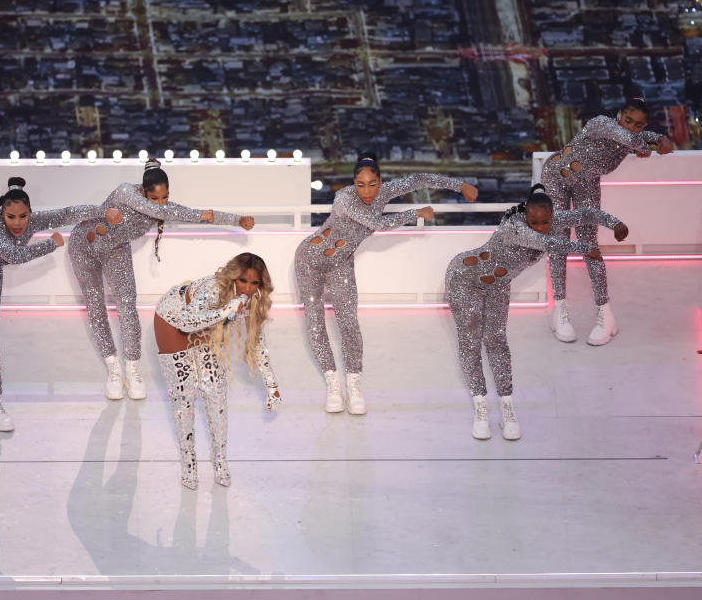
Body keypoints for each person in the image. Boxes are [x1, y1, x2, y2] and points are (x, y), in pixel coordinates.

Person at [294, 152, 478, 414]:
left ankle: (354, 385)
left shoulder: (383, 192)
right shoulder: (344, 198)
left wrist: (460, 186)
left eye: (372, 184)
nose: (367, 191)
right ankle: (333, 385)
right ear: (352, 183)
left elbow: (419, 179)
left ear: (380, 181)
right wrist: (414, 212)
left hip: (341, 261)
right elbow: (376, 222)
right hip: (309, 260)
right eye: (360, 184)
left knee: (349, 323)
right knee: (315, 323)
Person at [445, 184, 629, 440]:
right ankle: (481, 408)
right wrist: (585, 249)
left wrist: (615, 222)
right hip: (464, 278)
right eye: (534, 221)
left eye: (545, 221)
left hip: (498, 285)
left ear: (552, 215)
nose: (540, 226)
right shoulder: (515, 226)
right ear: (526, 215)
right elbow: (545, 242)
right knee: (471, 341)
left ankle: (507, 408)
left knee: (497, 341)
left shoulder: (553, 218)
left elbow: (587, 213)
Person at [68, 158, 254, 401]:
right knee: (95, 305)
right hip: (84, 245)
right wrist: (173, 210)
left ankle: (133, 368)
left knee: (127, 307)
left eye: (165, 197)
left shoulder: (162, 206)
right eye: (154, 197)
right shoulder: (126, 191)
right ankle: (113, 368)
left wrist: (236, 220)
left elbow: (197, 215)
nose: (160, 203)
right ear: (143, 190)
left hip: (116, 250)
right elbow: (164, 212)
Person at [0, 177, 106, 434]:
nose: (17, 223)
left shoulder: (31, 222)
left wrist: (104, 211)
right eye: (11, 216)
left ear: (29, 213)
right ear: (1, 212)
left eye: (23, 216)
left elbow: (68, 213)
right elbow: (13, 255)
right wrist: (52, 244)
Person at [541, 96, 674, 345]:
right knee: (559, 241)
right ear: (618, 115)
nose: (631, 127)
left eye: (638, 125)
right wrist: (645, 145)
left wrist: (658, 139)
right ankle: (558, 310)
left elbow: (643, 139)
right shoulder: (601, 123)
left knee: (589, 246)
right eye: (627, 120)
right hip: (556, 176)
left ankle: (606, 314)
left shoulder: (630, 137)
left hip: (587, 184)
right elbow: (628, 138)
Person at [154, 253, 280, 489]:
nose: (249, 288)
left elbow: (257, 344)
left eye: (255, 283)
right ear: (234, 277)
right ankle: (189, 466)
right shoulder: (214, 288)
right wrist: (226, 311)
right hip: (173, 320)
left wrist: (272, 386)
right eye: (243, 281)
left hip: (207, 324)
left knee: (215, 391)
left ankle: (221, 463)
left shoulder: (253, 300)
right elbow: (187, 322)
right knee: (185, 395)